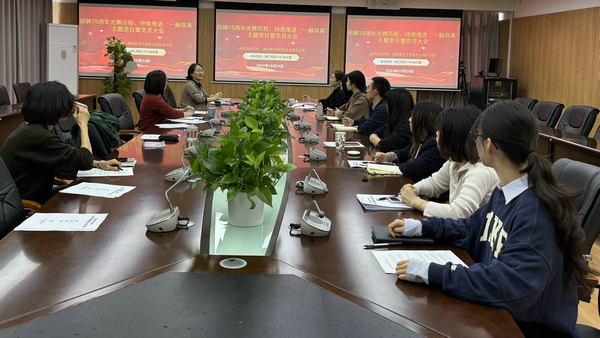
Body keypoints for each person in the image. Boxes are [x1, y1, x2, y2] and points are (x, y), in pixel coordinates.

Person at [388, 101, 590, 337]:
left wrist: (432, 272)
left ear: (490, 145)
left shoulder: (534, 212)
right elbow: (469, 228)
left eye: (477, 137)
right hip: (497, 316)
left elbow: (507, 285)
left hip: (524, 329)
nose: (473, 142)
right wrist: (419, 227)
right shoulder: (504, 190)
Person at [0, 81, 121, 204]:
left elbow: (67, 156)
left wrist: (99, 164)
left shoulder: (32, 129)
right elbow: (85, 161)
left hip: (35, 196)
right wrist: (83, 125)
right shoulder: (39, 136)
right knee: (94, 192)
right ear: (55, 108)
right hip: (24, 205)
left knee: (90, 188)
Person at [399, 106, 499, 219]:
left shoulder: (480, 170)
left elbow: (459, 213)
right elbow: (434, 183)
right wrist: (415, 189)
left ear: (453, 137)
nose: (436, 134)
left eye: (441, 130)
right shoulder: (455, 161)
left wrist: (416, 202)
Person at [375, 101, 445, 183]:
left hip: (427, 194)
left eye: (412, 116)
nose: (409, 120)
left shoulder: (434, 145)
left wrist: (397, 166)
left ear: (422, 122)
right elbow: (403, 153)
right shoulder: (418, 139)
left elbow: (410, 168)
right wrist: (386, 157)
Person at [369, 88, 413, 152]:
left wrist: (377, 142)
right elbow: (374, 133)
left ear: (394, 106)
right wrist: (375, 139)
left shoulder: (408, 127)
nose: (386, 106)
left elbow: (385, 145)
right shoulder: (394, 122)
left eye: (387, 103)